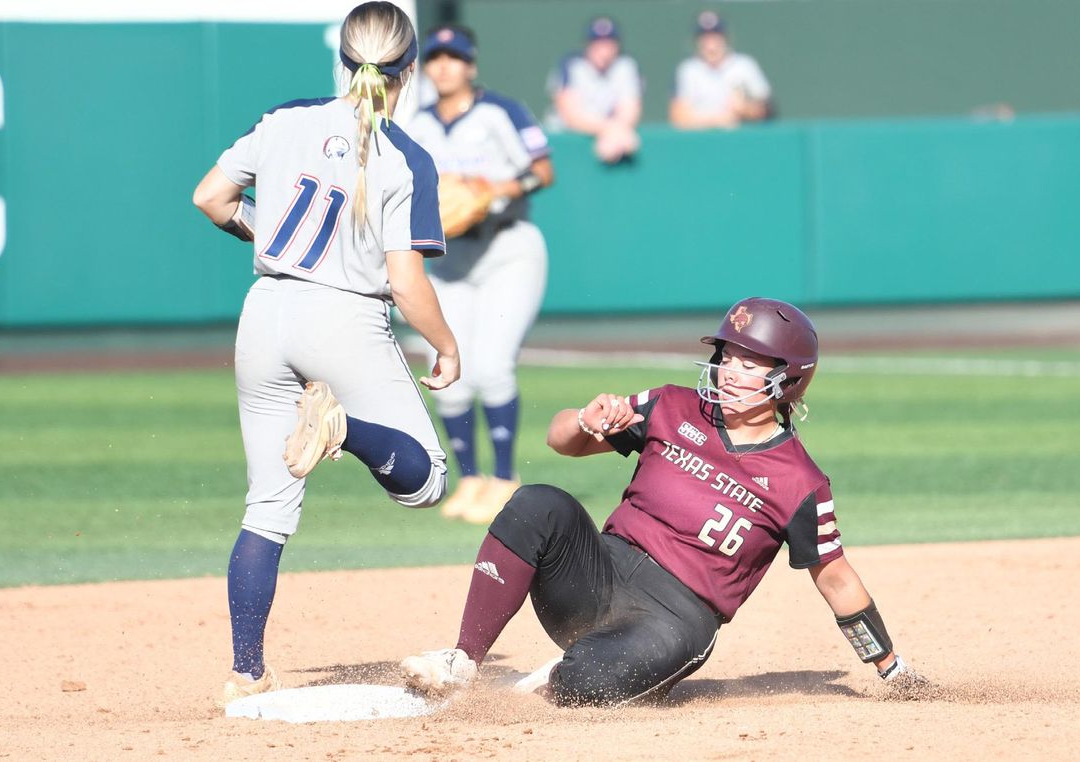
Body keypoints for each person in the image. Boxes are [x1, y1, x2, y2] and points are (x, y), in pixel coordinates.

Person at [400, 298, 925, 707]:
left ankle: (565, 672)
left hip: (675, 618)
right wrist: (587, 418)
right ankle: (463, 660)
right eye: (728, 356)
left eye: (750, 362)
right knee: (537, 503)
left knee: (588, 684)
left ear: (787, 379)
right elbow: (560, 441)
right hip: (599, 573)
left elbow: (834, 577)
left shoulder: (800, 481)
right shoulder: (672, 405)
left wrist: (890, 666)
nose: (729, 370)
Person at [192, 1, 460, 707]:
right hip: (341, 315)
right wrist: (446, 343)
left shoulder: (283, 120)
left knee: (268, 506)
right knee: (428, 479)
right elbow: (405, 279)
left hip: (266, 310)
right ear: (408, 71)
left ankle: (246, 670)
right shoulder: (405, 155)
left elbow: (211, 198)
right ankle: (342, 429)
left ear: (344, 60)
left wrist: (261, 235)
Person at [407, 25, 555, 525]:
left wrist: (493, 189)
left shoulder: (500, 112)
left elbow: (543, 171)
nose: (444, 66)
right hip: (446, 258)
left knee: (491, 365)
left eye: (454, 57)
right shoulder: (417, 124)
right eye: (436, 58)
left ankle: (505, 480)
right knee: (447, 373)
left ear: (471, 65)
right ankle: (470, 477)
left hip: (505, 247)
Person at [546, 16, 643, 164]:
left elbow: (630, 110)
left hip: (612, 139)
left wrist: (614, 134)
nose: (603, 51)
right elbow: (571, 116)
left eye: (609, 44)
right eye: (597, 45)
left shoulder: (626, 66)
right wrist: (613, 132)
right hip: (563, 146)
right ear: (587, 45)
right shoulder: (571, 65)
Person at [669, 11, 773, 130]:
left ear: (725, 38)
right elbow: (678, 116)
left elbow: (766, 109)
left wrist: (745, 109)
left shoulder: (744, 65)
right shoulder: (688, 70)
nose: (711, 44)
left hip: (738, 138)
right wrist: (718, 120)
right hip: (699, 140)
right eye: (705, 38)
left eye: (715, 37)